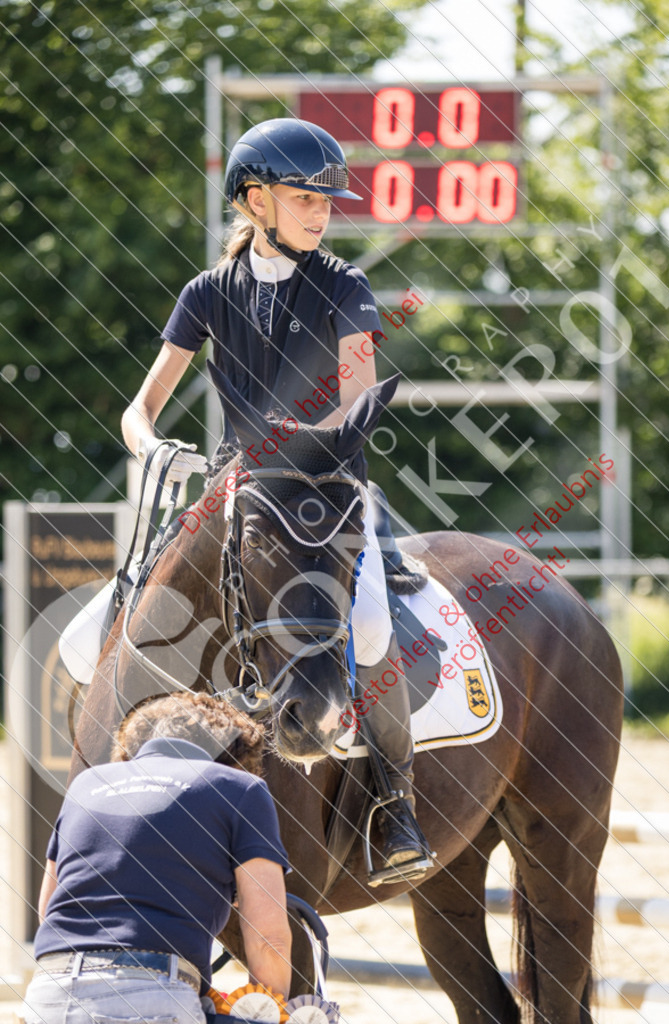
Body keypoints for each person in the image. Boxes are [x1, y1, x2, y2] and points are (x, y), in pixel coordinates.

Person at [119, 118, 428, 878]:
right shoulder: (206, 293)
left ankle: (393, 804)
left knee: (372, 626)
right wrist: (151, 446)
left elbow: (356, 393)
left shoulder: (345, 286)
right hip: (239, 488)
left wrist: (298, 436)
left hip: (324, 484)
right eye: (304, 199)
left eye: (328, 201)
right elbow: (141, 407)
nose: (322, 214)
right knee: (133, 601)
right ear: (256, 200)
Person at [22, 692, 291, 1024]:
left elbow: (49, 909)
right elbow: (269, 939)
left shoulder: (86, 784)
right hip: (152, 995)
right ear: (233, 757)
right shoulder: (241, 787)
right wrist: (269, 1011)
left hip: (49, 992)